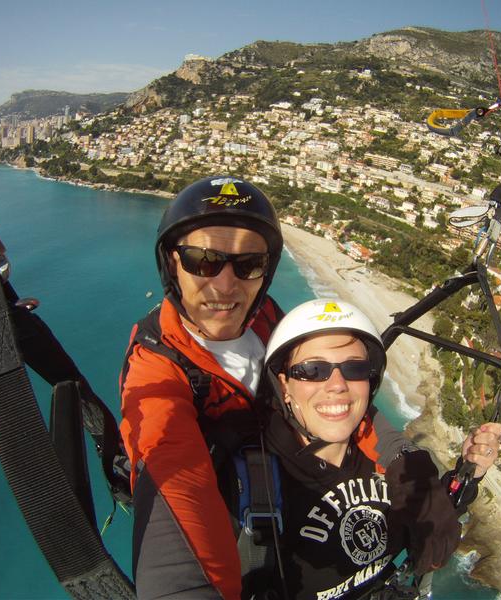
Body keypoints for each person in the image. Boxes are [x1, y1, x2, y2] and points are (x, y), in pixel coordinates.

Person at [119, 176, 414, 600]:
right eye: (203, 261)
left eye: (247, 265)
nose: (224, 286)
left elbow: (335, 391)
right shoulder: (155, 367)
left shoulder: (269, 321)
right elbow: (169, 468)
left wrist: (406, 459)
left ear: (266, 271)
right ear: (172, 264)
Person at [260, 298, 501, 600]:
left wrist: (468, 473)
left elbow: (426, 517)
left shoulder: (388, 465)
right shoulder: (257, 483)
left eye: (354, 368)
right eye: (313, 369)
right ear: (284, 386)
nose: (337, 384)